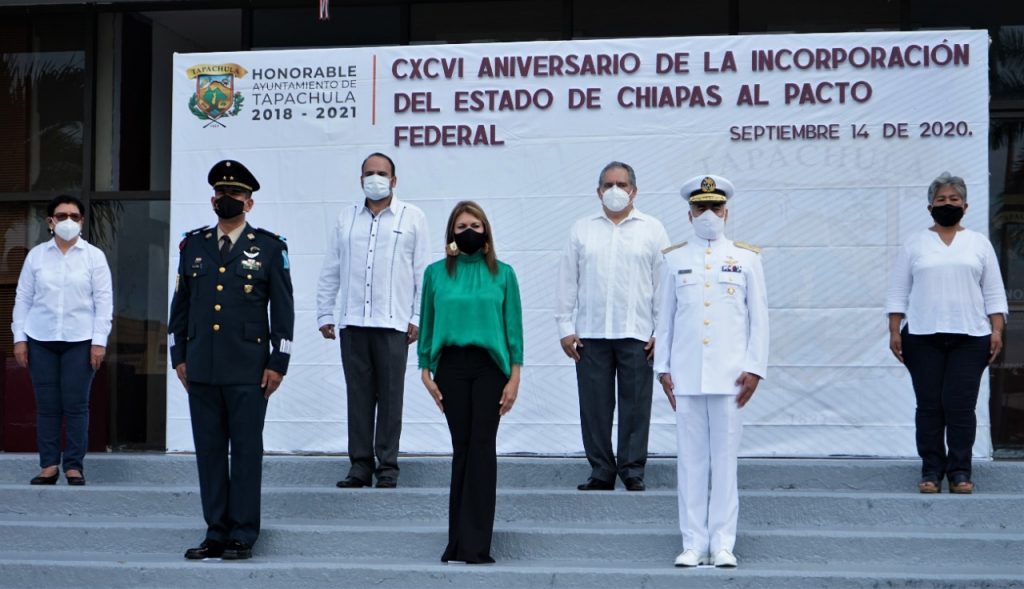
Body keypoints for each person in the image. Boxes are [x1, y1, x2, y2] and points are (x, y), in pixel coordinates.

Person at [169, 159, 294, 560]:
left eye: (236, 195)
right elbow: (181, 305)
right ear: (212, 199)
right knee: (208, 452)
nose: (228, 199)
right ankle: (215, 532)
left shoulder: (271, 248)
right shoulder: (193, 245)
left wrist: (278, 362)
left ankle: (242, 533)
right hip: (201, 367)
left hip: (249, 369)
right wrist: (178, 356)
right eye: (222, 194)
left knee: (244, 451)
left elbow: (284, 311)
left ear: (249, 203)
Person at [653, 174, 769, 569]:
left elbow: (760, 319)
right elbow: (664, 319)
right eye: (700, 208)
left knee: (724, 462)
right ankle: (692, 542)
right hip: (686, 375)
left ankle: (722, 543)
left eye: (714, 208)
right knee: (690, 462)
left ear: (726, 211)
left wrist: (754, 368)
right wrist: (663, 368)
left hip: (731, 376)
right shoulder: (673, 258)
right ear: (689, 213)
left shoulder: (747, 258)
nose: (708, 215)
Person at [886, 172, 1007, 495]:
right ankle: (931, 470)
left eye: (954, 200)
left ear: (965, 206)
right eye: (941, 200)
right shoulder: (915, 244)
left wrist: (996, 330)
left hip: (971, 336)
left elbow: (994, 292)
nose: (947, 204)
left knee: (959, 405)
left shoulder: (979, 243)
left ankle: (959, 471)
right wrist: (894, 329)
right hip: (922, 336)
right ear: (930, 207)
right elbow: (899, 291)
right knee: (929, 405)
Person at [317, 152, 429, 489]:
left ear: (394, 181)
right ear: (360, 179)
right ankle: (359, 466)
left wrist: (418, 316)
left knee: (391, 396)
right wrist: (325, 311)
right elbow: (331, 269)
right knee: (359, 396)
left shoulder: (412, 217)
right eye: (369, 173)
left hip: (394, 323)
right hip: (353, 323)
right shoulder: (346, 218)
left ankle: (388, 467)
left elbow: (422, 271)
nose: (375, 178)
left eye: (382, 173)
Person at [418, 201, 523, 564]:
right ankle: (456, 542)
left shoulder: (503, 274)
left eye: (475, 225)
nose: (468, 232)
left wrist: (515, 376)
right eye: (462, 226)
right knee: (461, 447)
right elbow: (427, 322)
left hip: (490, 368)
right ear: (451, 234)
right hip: (450, 366)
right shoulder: (435, 273)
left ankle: (477, 545)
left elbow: (514, 329)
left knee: (482, 446)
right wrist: (424, 368)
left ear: (487, 232)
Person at [555, 161, 670, 492]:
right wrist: (565, 325)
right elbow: (567, 280)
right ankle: (601, 471)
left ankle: (632, 469)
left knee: (636, 405)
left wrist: (661, 331)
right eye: (608, 185)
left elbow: (663, 285)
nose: (615, 190)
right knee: (594, 406)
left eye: (621, 184)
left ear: (634, 190)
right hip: (590, 335)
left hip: (637, 334)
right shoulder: (582, 229)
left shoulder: (653, 229)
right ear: (598, 191)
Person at [12, 195, 112, 487]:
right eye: (61, 215)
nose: (68, 221)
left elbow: (104, 302)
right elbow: (23, 299)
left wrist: (99, 342)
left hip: (80, 340)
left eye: (74, 216)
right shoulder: (36, 257)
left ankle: (73, 466)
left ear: (82, 221)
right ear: (50, 222)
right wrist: (20, 339)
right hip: (40, 338)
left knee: (76, 405)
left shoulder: (94, 257)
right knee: (47, 405)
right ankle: (48, 466)